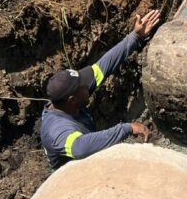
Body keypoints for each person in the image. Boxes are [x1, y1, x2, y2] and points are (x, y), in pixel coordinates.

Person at [41, 9, 162, 169]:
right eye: (83, 85)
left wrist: (135, 36)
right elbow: (80, 148)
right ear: (72, 100)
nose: (87, 83)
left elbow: (103, 66)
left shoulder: (71, 96)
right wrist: (126, 128)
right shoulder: (56, 129)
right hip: (76, 175)